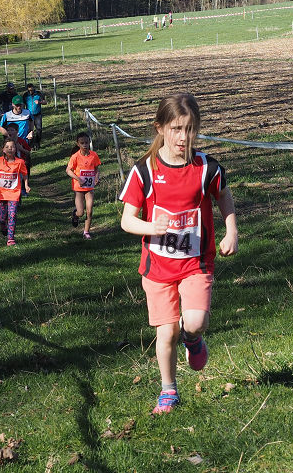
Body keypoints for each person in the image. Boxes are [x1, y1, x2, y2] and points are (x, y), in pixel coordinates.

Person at [119, 93, 238, 414]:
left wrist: (231, 231)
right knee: (166, 331)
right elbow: (127, 221)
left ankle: (193, 339)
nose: (183, 137)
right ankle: (168, 390)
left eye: (190, 129)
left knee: (195, 322)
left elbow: (224, 196)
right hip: (157, 267)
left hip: (196, 262)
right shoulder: (144, 170)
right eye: (176, 129)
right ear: (160, 128)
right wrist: (151, 227)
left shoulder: (207, 168)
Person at [0, 138, 30, 247]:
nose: (10, 149)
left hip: (14, 193)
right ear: (3, 150)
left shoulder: (20, 162)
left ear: (16, 149)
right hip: (0, 194)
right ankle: (2, 225)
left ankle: (10, 238)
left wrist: (26, 185)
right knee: (2, 217)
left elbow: (25, 174)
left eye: (12, 147)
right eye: (7, 147)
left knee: (12, 215)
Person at [66, 132, 101, 240]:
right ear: (78, 144)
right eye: (82, 143)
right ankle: (75, 215)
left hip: (89, 188)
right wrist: (78, 179)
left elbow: (96, 169)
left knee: (89, 211)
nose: (85, 145)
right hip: (78, 188)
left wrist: (96, 177)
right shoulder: (75, 156)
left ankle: (86, 232)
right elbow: (68, 170)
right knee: (81, 212)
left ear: (89, 142)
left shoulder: (94, 155)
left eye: (86, 142)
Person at [22, 84, 44, 150]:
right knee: (29, 130)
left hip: (37, 114)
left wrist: (39, 102)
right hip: (29, 115)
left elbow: (45, 102)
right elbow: (23, 104)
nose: (31, 92)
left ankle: (37, 142)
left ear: (34, 88)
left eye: (32, 90)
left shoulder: (38, 94)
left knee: (39, 129)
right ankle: (30, 144)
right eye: (29, 90)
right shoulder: (25, 95)